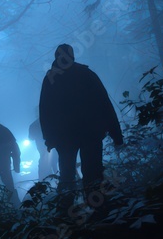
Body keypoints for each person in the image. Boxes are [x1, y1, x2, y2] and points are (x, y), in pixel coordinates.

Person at [39, 44, 123, 203]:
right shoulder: (86, 74)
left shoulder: (51, 79)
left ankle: (67, 213)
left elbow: (45, 111)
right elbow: (105, 105)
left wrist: (49, 138)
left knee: (68, 176)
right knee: (91, 175)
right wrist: (116, 135)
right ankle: (96, 211)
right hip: (89, 133)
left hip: (67, 137)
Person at [28, 117, 58, 181]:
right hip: (54, 145)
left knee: (43, 161)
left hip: (41, 147)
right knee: (54, 160)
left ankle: (43, 180)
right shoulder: (52, 121)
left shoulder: (33, 125)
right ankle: (58, 177)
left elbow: (31, 138)